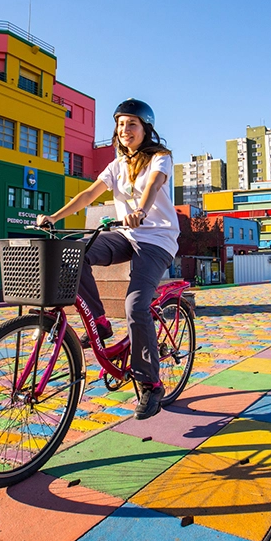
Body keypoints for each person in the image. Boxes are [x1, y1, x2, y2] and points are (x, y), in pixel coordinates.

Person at [36, 98, 179, 421]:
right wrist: (55, 217)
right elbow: (88, 194)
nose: (124, 129)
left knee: (135, 306)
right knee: (73, 253)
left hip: (157, 240)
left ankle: (151, 383)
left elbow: (154, 184)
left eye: (132, 124)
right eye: (120, 124)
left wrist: (140, 210)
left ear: (146, 129)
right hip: (126, 235)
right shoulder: (117, 165)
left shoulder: (160, 157)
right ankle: (100, 323)